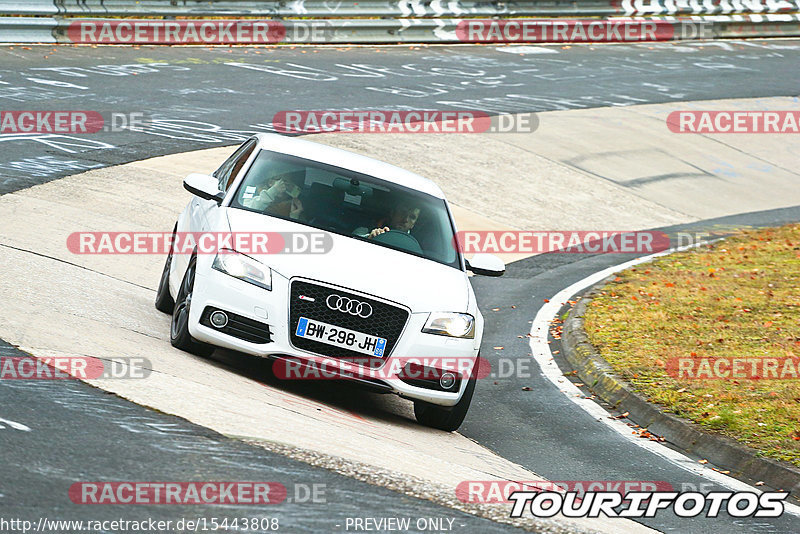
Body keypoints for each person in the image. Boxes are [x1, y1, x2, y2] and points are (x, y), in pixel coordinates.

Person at [356, 203, 420, 239]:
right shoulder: (365, 229)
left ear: (413, 224)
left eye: (412, 217)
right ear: (392, 213)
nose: (405, 219)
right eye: (403, 213)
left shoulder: (416, 246)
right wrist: (369, 238)